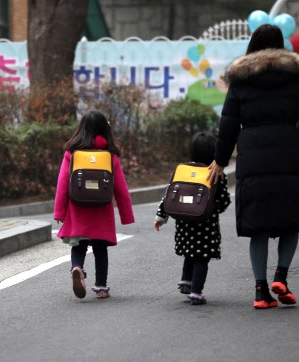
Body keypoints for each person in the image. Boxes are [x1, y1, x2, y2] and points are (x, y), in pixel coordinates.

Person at [207, 24, 299, 309]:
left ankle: (260, 291)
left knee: (257, 224)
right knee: (291, 219)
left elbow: (228, 124)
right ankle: (281, 275)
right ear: (280, 46)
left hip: (253, 156)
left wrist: (220, 160)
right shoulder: (296, 78)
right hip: (288, 153)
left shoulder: (241, 79)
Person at [54, 111, 135, 299]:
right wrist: (126, 215)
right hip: (101, 208)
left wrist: (60, 211)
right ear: (105, 130)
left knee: (78, 244)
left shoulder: (72, 155)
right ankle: (101, 287)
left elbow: (63, 184)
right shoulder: (109, 156)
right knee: (100, 249)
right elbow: (121, 188)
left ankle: (77, 267)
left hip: (77, 207)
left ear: (81, 130)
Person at [154, 131, 231, 305]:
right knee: (201, 257)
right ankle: (196, 292)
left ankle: (186, 280)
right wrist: (214, 208)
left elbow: (169, 194)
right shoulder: (215, 173)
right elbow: (224, 200)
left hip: (184, 224)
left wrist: (161, 216)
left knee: (190, 252)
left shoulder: (182, 170)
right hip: (205, 225)